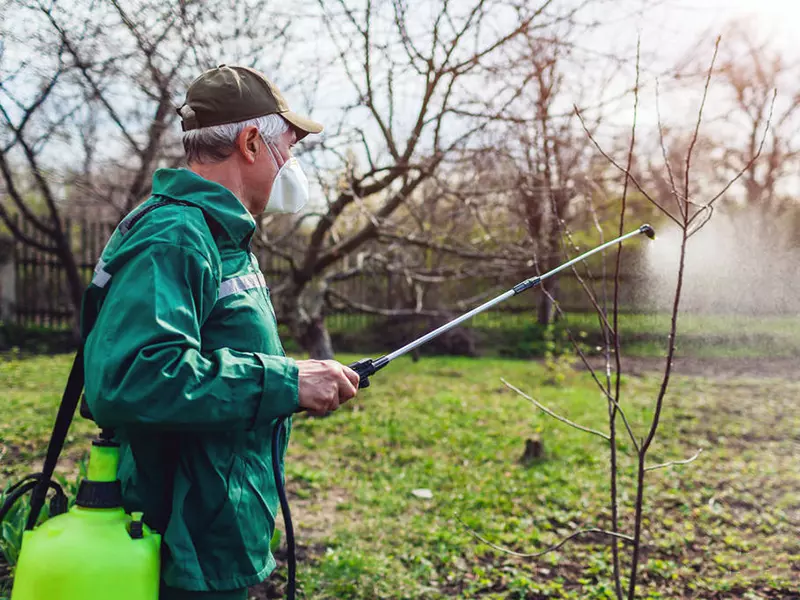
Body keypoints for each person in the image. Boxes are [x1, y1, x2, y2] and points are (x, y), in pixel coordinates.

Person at [81, 65, 359, 600]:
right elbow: (132, 379)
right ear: (251, 142)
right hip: (176, 545)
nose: (292, 166)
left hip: (214, 532)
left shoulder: (218, 236)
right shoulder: (176, 236)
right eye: (290, 147)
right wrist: (288, 382)